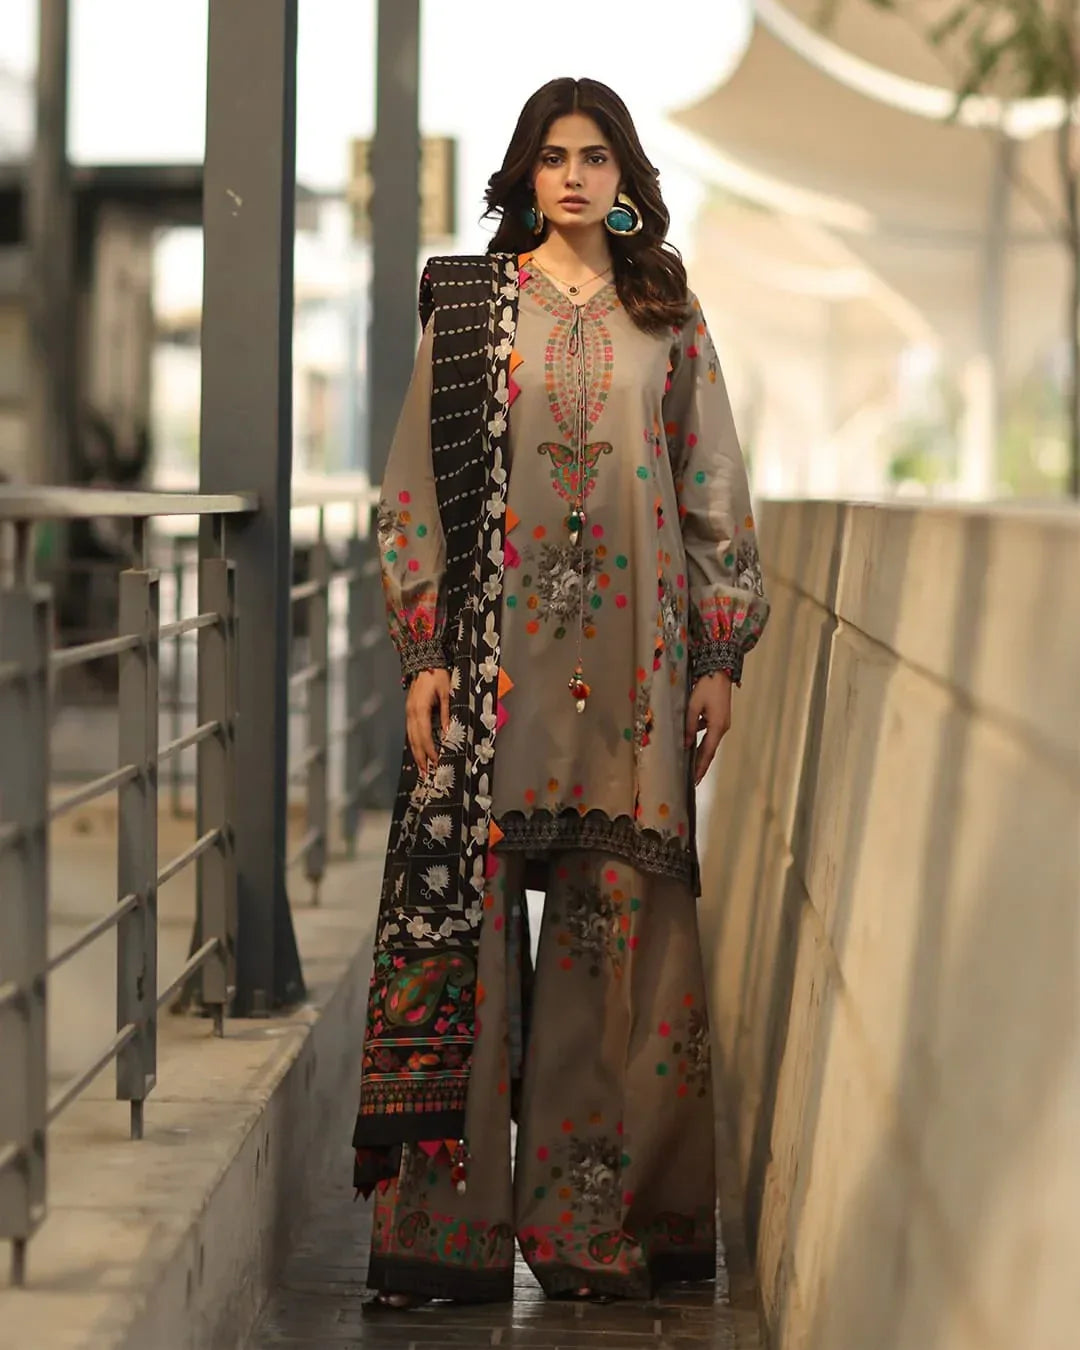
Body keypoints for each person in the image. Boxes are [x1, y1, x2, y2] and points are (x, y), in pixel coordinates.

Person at [352, 76, 769, 1309]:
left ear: (628, 178)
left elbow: (714, 495)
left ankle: (592, 1230)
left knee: (611, 941)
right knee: (471, 948)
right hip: (490, 679)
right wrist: (424, 654)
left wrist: (718, 656)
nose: (575, 176)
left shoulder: (669, 317)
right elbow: (408, 494)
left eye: (596, 157)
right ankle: (449, 1239)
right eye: (552, 156)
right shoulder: (475, 311)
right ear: (525, 175)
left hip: (634, 687)